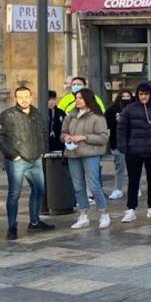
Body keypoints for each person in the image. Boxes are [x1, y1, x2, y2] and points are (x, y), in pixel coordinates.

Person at [0, 87, 51, 240]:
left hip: (35, 159)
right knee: (14, 194)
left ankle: (35, 222)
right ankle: (12, 227)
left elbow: (43, 132)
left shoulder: (37, 114)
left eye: (27, 96)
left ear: (31, 97)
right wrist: (12, 155)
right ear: (15, 99)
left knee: (39, 191)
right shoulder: (7, 115)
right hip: (17, 161)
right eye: (20, 97)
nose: (24, 100)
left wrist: (42, 150)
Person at [118, 82, 151, 224]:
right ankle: (131, 208)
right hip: (133, 150)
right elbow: (122, 129)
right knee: (133, 180)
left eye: (146, 94)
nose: (143, 97)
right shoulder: (129, 109)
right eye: (141, 94)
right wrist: (124, 147)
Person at [60, 88, 111, 230]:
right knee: (78, 186)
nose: (77, 100)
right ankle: (83, 215)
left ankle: (103, 213)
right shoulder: (71, 115)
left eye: (80, 98)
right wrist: (66, 137)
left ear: (87, 99)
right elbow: (63, 132)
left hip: (90, 154)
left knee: (94, 185)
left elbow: (103, 138)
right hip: (72, 154)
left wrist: (84, 137)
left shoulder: (97, 117)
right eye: (76, 98)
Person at [105, 90, 133, 199]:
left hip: (133, 142)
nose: (125, 98)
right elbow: (107, 125)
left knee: (133, 167)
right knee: (119, 166)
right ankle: (118, 189)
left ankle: (135, 187)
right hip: (117, 142)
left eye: (128, 96)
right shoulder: (112, 110)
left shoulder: (135, 109)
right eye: (123, 96)